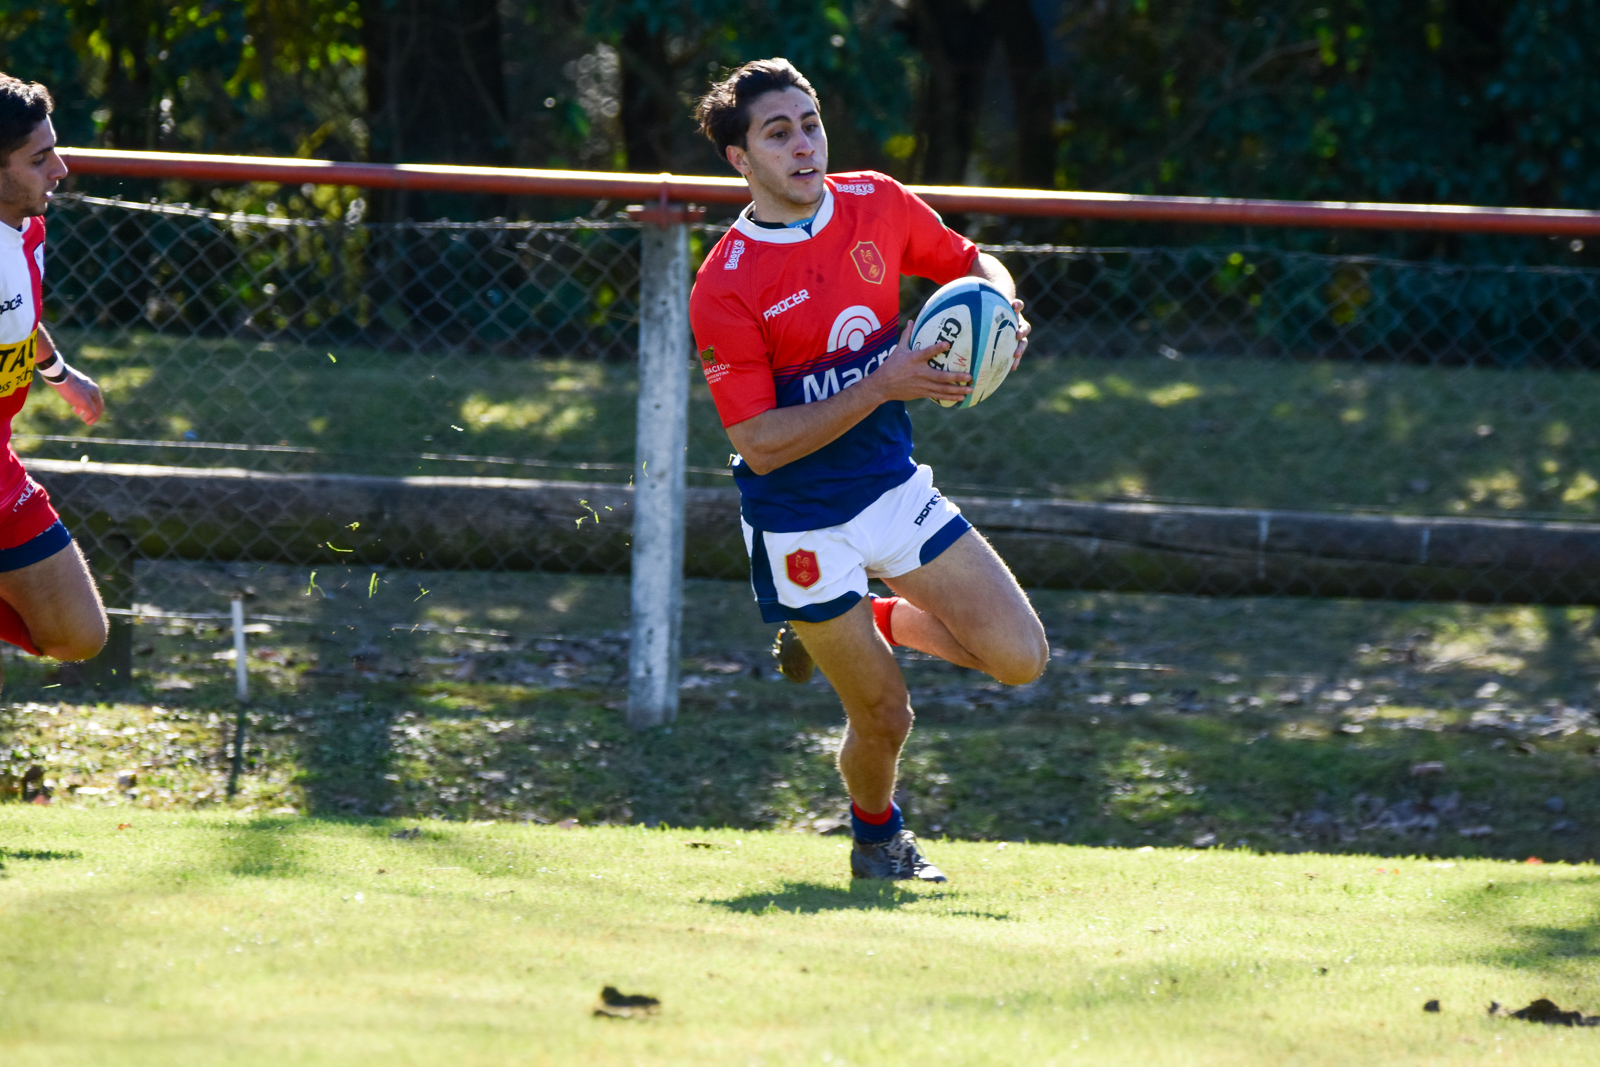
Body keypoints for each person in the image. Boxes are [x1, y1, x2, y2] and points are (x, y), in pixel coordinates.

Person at [689, 59, 1049, 882]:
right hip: (799, 522)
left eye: (810, 124)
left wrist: (1002, 307)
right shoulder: (725, 285)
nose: (803, 145)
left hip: (891, 489)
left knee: (1020, 658)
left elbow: (973, 262)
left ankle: (872, 615)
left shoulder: (876, 202)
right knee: (887, 714)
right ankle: (877, 838)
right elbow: (759, 443)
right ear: (741, 160)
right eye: (778, 134)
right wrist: (882, 382)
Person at [0, 74, 109, 685]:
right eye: (40, 159)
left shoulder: (27, 226)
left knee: (77, 636)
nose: (61, 170)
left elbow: (19, 320)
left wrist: (57, 373)